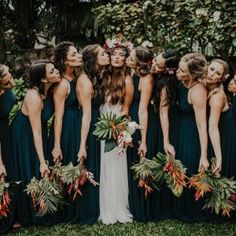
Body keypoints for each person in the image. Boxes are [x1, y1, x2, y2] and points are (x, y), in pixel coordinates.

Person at [11, 61, 60, 226]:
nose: (57, 71)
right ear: (44, 79)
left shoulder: (49, 90)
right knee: (31, 166)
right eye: (52, 71)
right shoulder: (34, 97)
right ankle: (28, 213)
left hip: (36, 132)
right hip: (24, 135)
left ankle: (43, 208)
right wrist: (42, 161)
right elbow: (36, 132)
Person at [99, 44, 134, 224]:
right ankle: (103, 204)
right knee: (104, 165)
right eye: (115, 54)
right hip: (101, 123)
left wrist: (118, 129)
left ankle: (117, 206)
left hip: (115, 124)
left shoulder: (127, 80)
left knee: (115, 166)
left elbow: (126, 109)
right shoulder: (103, 76)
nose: (118, 58)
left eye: (122, 55)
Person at [75, 44, 110, 224]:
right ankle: (87, 209)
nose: (107, 55)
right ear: (93, 59)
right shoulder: (85, 81)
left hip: (98, 124)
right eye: (103, 54)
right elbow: (86, 114)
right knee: (89, 163)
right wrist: (82, 144)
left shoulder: (96, 76)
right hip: (89, 126)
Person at [49, 41, 82, 222]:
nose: (79, 56)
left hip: (77, 124)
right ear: (64, 60)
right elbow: (58, 116)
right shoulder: (62, 83)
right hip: (67, 127)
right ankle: (67, 209)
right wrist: (56, 144)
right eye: (74, 54)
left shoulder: (75, 77)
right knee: (67, 162)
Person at [173, 53, 208, 222]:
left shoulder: (198, 91)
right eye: (179, 67)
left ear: (193, 75)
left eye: (182, 70)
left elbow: (202, 125)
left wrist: (204, 154)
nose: (177, 71)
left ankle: (192, 207)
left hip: (193, 134)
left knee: (190, 166)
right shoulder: (183, 83)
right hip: (181, 131)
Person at [126, 46, 158, 221]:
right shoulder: (132, 73)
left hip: (142, 125)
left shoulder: (146, 79)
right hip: (131, 123)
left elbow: (143, 110)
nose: (127, 59)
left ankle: (144, 209)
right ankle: (133, 205)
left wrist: (143, 139)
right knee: (133, 163)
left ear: (139, 62)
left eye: (131, 57)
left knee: (142, 161)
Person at [151, 49, 179, 219]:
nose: (153, 65)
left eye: (158, 65)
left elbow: (164, 113)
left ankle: (163, 207)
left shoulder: (165, 84)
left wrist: (166, 141)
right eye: (155, 60)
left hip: (164, 127)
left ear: (167, 70)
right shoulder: (157, 78)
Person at [0, 64, 16, 234]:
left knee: (9, 174)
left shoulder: (8, 87)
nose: (11, 74)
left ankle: (9, 216)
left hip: (6, 133)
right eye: (7, 73)